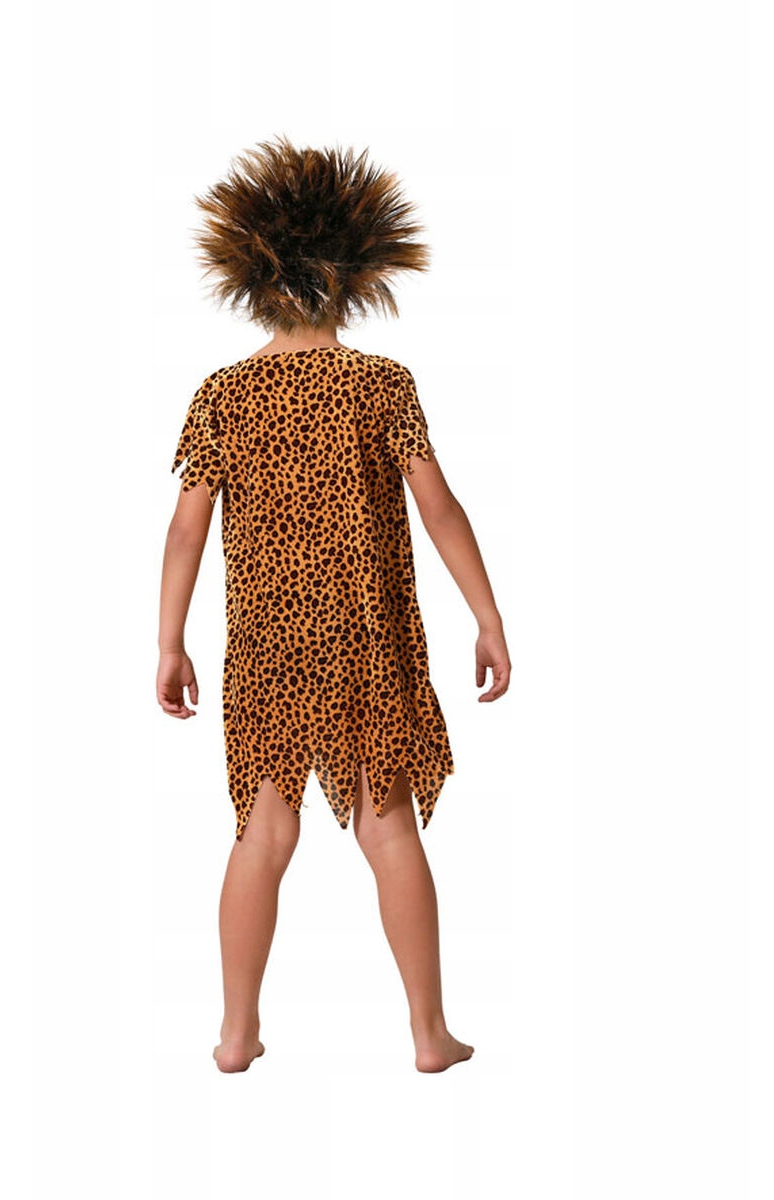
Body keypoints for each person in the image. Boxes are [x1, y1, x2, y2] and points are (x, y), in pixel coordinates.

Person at [156, 136, 510, 1073]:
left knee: (261, 832)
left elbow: (186, 530)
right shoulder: (380, 386)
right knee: (387, 828)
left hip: (267, 647)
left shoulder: (224, 396)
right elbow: (439, 507)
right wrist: (487, 617)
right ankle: (428, 1034)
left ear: (253, 279)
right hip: (366, 641)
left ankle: (237, 1035)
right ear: (356, 276)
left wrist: (169, 641)